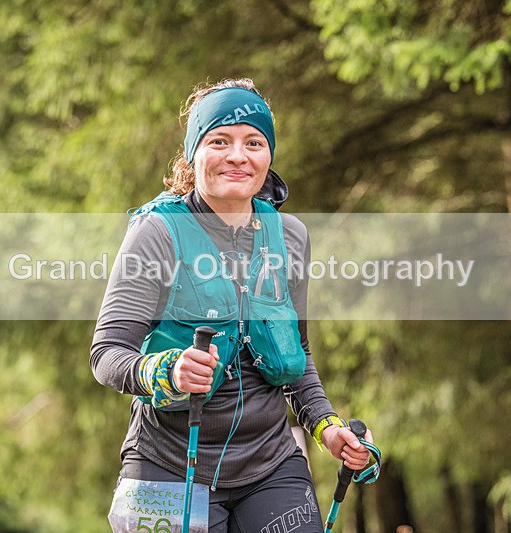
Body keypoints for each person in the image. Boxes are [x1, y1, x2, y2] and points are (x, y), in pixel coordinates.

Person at [91, 78, 374, 532]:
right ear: (193, 154)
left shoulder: (291, 236)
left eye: (254, 142)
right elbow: (106, 355)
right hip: (168, 463)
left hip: (272, 463)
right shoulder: (156, 233)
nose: (238, 156)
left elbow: (296, 356)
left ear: (269, 155)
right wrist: (167, 371)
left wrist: (327, 427)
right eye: (219, 140)